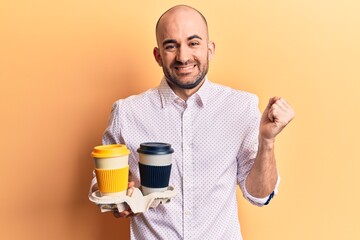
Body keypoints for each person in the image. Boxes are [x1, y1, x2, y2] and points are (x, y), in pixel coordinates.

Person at [100, 4, 295, 239]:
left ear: (210, 49)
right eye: (171, 46)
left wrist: (267, 141)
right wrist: (117, 197)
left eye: (193, 43)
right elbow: (104, 182)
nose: (183, 57)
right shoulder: (127, 112)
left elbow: (259, 195)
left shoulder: (240, 107)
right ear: (158, 55)